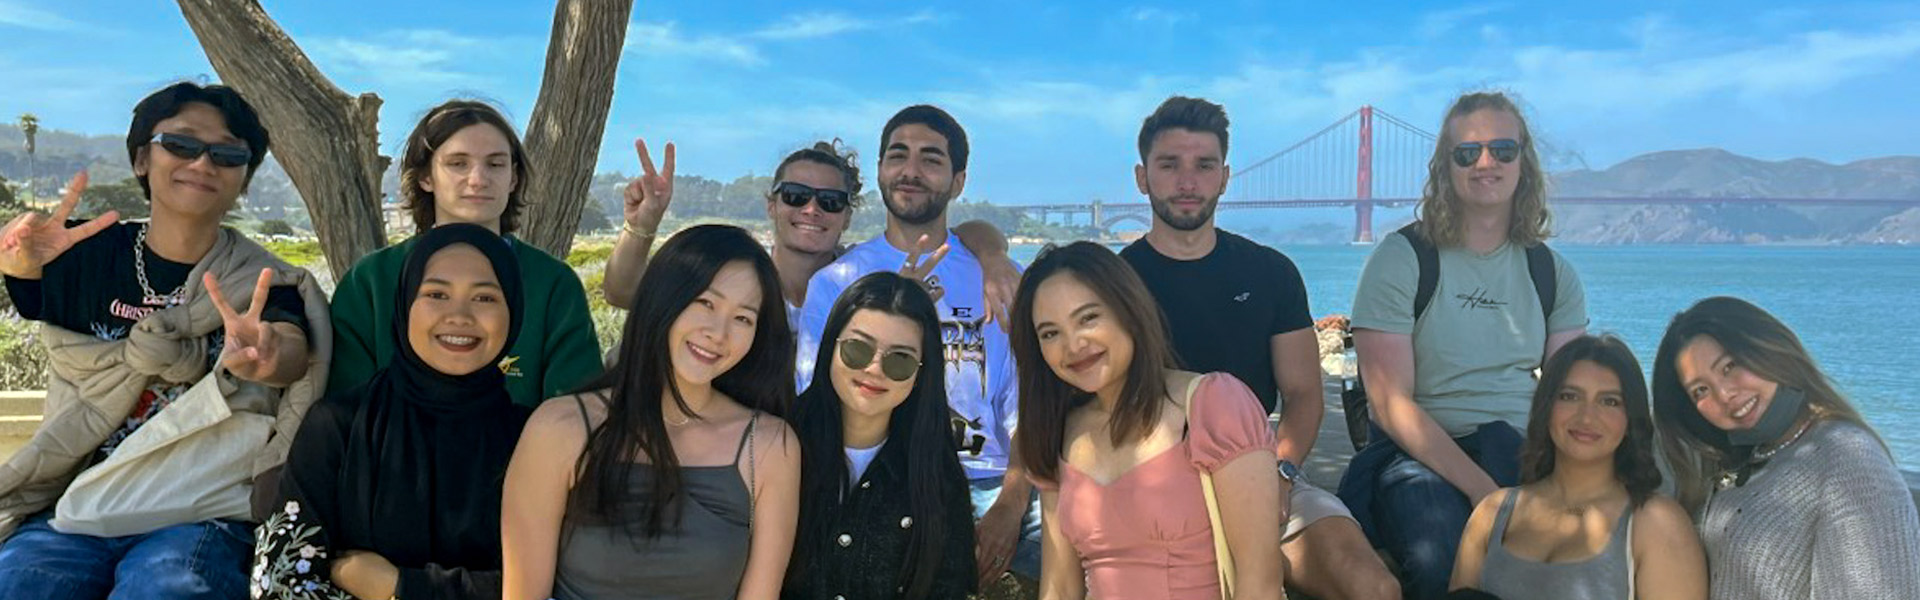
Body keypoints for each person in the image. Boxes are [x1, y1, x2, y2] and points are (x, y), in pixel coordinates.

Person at [0, 81, 329, 598]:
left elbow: (290, 349)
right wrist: (21, 263)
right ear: (140, 159)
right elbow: (30, 290)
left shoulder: (261, 278)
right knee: (21, 583)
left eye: (227, 154)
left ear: (243, 178)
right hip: (77, 500)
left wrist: (265, 356)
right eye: (180, 144)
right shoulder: (83, 251)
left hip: (197, 509)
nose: (202, 163)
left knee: (169, 587)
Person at [1118, 96, 1396, 600]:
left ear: (1225, 177)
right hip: (1148, 476)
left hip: (1261, 465)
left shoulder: (1271, 273)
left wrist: (1280, 475)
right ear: (1142, 177)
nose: (1187, 182)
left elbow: (1303, 394)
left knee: (1372, 587)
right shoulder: (1113, 283)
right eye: (1170, 165)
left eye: (1204, 166)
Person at [1339, 91, 1588, 600]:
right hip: (1418, 458)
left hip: (1521, 451)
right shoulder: (1403, 259)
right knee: (1444, 559)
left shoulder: (1552, 273)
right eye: (1467, 153)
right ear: (1445, 167)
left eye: (1503, 149)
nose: (1485, 163)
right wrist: (1485, 494)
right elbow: (1389, 406)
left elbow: (1571, 396)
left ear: (1524, 162)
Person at [791, 106, 1036, 586]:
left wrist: (1012, 501)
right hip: (882, 473)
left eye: (931, 159)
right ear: (881, 170)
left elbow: (1026, 403)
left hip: (987, 476)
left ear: (958, 181)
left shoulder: (997, 278)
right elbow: (817, 400)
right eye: (898, 155)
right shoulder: (835, 282)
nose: (911, 170)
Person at [502, 224, 801, 600]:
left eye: (743, 318)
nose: (719, 332)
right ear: (663, 297)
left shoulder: (769, 445)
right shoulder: (560, 428)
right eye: (705, 303)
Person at [253, 224, 528, 600]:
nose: (460, 315)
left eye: (484, 298)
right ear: (404, 304)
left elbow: (559, 585)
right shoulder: (337, 426)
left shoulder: (533, 441)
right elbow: (281, 581)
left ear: (513, 311)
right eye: (436, 294)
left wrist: (399, 587)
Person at [1013, 241, 1285, 600]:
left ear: (1128, 310)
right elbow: (1060, 589)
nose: (1073, 345)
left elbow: (1260, 582)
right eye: (1050, 333)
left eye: (1088, 318)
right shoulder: (1059, 431)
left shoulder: (1213, 404)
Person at [601, 139, 1021, 341]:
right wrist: (642, 225)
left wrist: (993, 256)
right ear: (772, 205)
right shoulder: (737, 276)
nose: (811, 210)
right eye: (796, 196)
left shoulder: (862, 277)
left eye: (830, 201)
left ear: (847, 216)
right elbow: (622, 293)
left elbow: (960, 233)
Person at [330, 99, 600, 407]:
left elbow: (577, 414)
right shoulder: (370, 281)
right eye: (458, 163)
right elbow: (345, 409)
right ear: (425, 177)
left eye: (495, 164)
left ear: (513, 178)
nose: (478, 179)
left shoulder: (553, 283)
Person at [1651, 296, 1920, 600]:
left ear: (1768, 348)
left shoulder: (1849, 460)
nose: (1724, 394)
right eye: (1701, 390)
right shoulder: (1746, 456)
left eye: (1729, 366)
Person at [1450, 335, 1706, 600]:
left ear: (1631, 419)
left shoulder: (1657, 523)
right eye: (1569, 396)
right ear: (1546, 406)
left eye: (1609, 401)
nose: (1586, 417)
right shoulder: (1492, 514)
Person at [784, 272, 974, 599]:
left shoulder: (935, 470)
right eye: (857, 349)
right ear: (830, 347)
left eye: (899, 360)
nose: (874, 369)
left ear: (921, 372)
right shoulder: (778, 443)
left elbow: (949, 584)